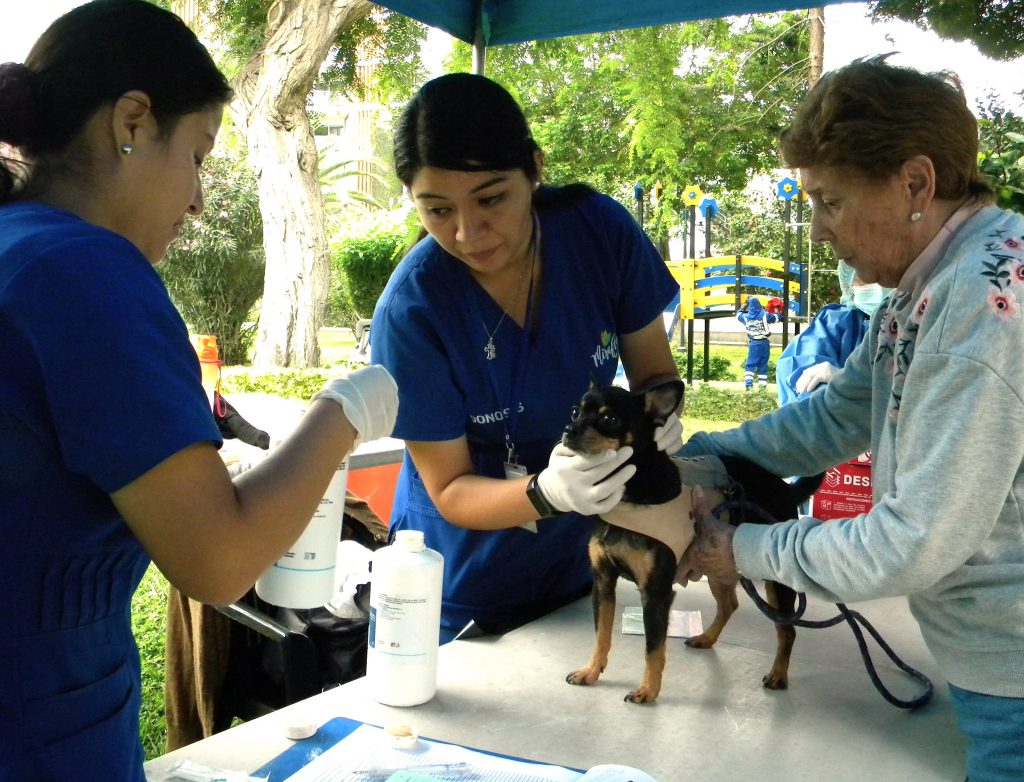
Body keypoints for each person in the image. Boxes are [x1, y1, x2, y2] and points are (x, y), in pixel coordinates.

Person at [0, 2, 398, 779]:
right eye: (200, 155)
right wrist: (342, 412)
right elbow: (219, 561)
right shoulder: (85, 272)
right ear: (135, 121)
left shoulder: (17, 249)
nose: (198, 201)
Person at [680, 56, 1024, 782]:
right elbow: (837, 415)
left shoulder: (976, 315)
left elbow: (910, 541)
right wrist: (706, 456)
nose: (820, 231)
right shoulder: (930, 283)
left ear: (916, 183)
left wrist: (740, 548)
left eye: (829, 201)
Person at [370, 73, 682, 644]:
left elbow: (656, 375)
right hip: (459, 590)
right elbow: (450, 489)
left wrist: (659, 421)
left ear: (534, 168)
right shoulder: (414, 311)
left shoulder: (597, 232)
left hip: (584, 571)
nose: (468, 233)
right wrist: (546, 493)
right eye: (437, 210)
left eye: (491, 198)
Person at [775, 260, 892, 405]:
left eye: (882, 276)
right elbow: (803, 381)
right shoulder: (834, 324)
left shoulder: (916, 324)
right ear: (849, 285)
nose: (878, 286)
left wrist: (847, 382)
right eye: (863, 280)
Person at [736, 295, 780, 389]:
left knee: (750, 365)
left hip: (754, 343)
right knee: (763, 365)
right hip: (764, 343)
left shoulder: (745, 317)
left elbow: (738, 314)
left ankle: (748, 385)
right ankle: (762, 388)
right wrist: (777, 308)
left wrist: (744, 304)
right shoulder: (765, 315)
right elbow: (777, 318)